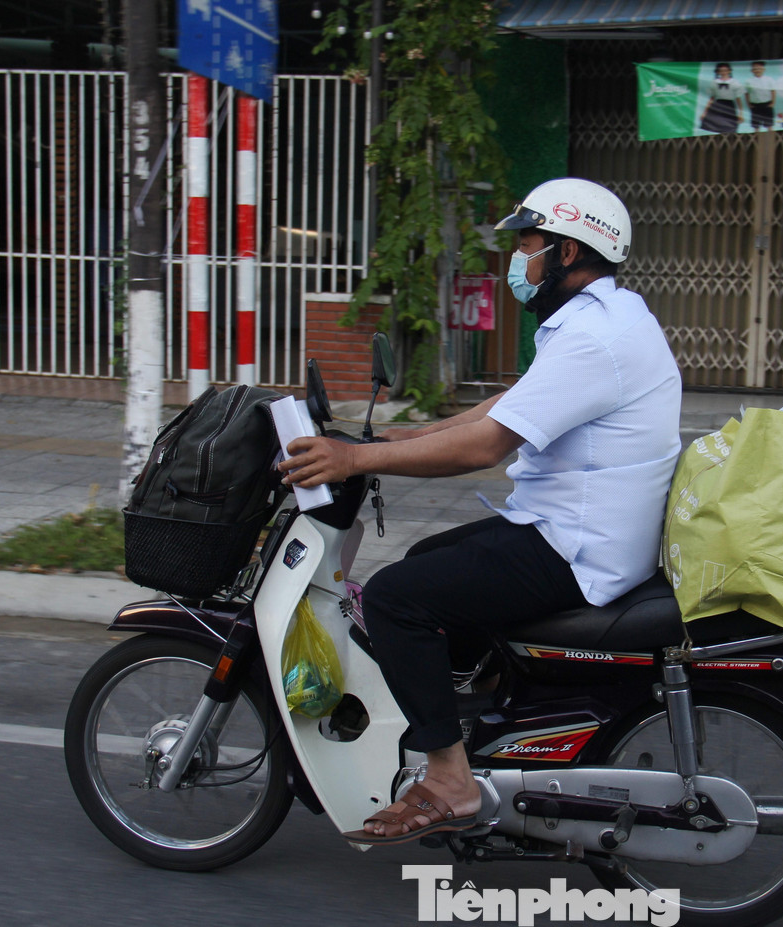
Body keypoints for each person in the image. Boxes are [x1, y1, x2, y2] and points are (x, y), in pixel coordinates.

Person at [278, 178, 683, 846]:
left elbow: (486, 444)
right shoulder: (601, 320)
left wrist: (354, 463)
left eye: (528, 242)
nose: (517, 259)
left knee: (395, 598)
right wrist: (390, 442)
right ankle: (477, 723)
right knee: (426, 560)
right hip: (581, 528)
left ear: (568, 250)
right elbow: (503, 407)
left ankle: (449, 779)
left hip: (576, 549)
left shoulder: (593, 337)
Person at [699, 62, 744, 134]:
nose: (723, 72)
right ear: (718, 72)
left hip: (729, 106)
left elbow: (738, 99)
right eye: (721, 71)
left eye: (725, 70)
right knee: (714, 125)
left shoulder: (735, 82)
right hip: (718, 105)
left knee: (730, 127)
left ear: (729, 71)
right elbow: (711, 98)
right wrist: (704, 113)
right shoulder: (715, 82)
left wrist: (741, 114)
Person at [745, 61, 777, 131]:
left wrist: (773, 103)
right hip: (755, 105)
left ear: (763, 69)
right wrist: (748, 104)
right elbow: (747, 93)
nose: (757, 70)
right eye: (755, 69)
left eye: (759, 68)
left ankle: (770, 140)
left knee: (769, 124)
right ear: (752, 70)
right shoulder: (749, 81)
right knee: (756, 125)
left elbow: (773, 91)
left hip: (767, 104)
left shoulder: (769, 79)